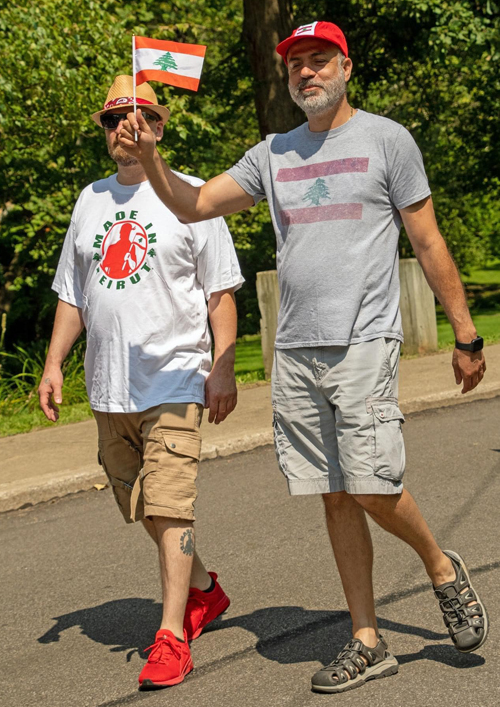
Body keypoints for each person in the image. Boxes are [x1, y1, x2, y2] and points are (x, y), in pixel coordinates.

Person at [117, 21, 489, 694]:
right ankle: (367, 638)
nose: (306, 73)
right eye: (296, 65)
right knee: (336, 494)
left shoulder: (386, 140)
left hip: (364, 340)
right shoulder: (273, 154)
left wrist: (465, 333)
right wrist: (149, 159)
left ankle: (438, 564)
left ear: (345, 67)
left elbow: (428, 241)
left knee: (372, 481)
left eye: (319, 61)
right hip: (295, 352)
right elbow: (194, 204)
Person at [38, 75, 244, 689]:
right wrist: (53, 364)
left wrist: (223, 366)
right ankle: (205, 591)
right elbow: (73, 295)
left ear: (158, 126)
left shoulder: (192, 196)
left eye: (139, 117)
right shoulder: (89, 201)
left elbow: (221, 293)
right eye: (113, 120)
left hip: (175, 380)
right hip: (109, 388)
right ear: (104, 134)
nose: (125, 128)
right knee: (143, 507)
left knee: (171, 505)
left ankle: (171, 636)